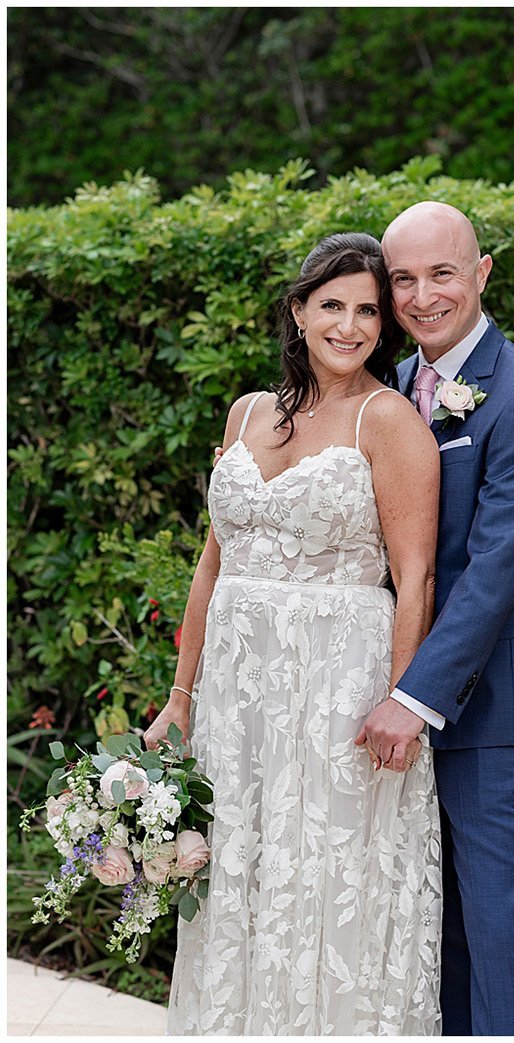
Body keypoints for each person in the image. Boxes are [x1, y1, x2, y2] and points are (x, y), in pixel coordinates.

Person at [147, 232, 444, 1034]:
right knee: (240, 866)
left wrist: (402, 701)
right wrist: (181, 695)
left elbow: (414, 577)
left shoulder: (389, 420)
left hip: (337, 686)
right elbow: (214, 564)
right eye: (333, 306)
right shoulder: (246, 411)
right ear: (298, 310)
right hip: (239, 695)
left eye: (368, 312)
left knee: (325, 874)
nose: (350, 326)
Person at [360, 200, 514, 1036]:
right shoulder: (390, 394)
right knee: (429, 931)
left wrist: (412, 697)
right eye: (403, 279)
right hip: (387, 695)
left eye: (441, 273)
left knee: (495, 929)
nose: (421, 296)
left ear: (481, 273)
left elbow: (492, 574)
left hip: (486, 711)